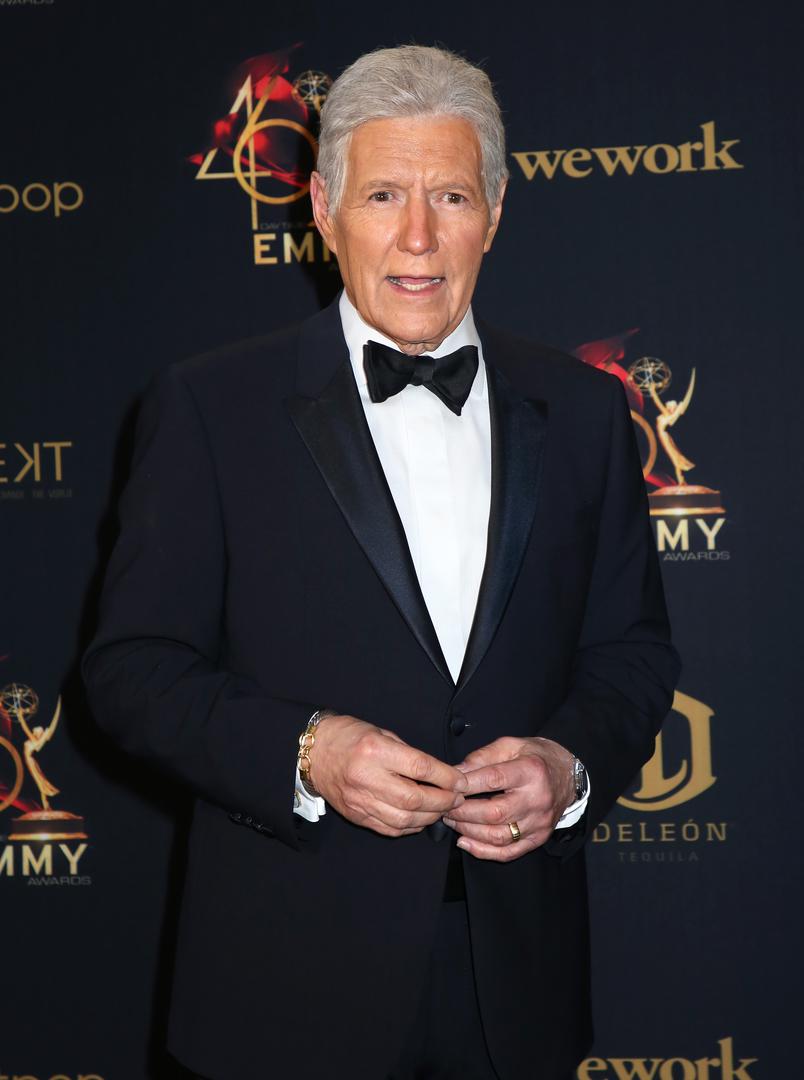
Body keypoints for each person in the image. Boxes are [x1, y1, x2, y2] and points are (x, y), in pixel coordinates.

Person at [82, 44, 680, 1080]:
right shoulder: (209, 406)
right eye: (383, 195)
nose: (418, 237)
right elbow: (131, 669)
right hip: (284, 983)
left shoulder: (586, 411)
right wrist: (307, 751)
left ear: (495, 210)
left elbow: (631, 653)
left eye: (450, 196)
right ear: (323, 209)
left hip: (514, 991)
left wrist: (568, 767)